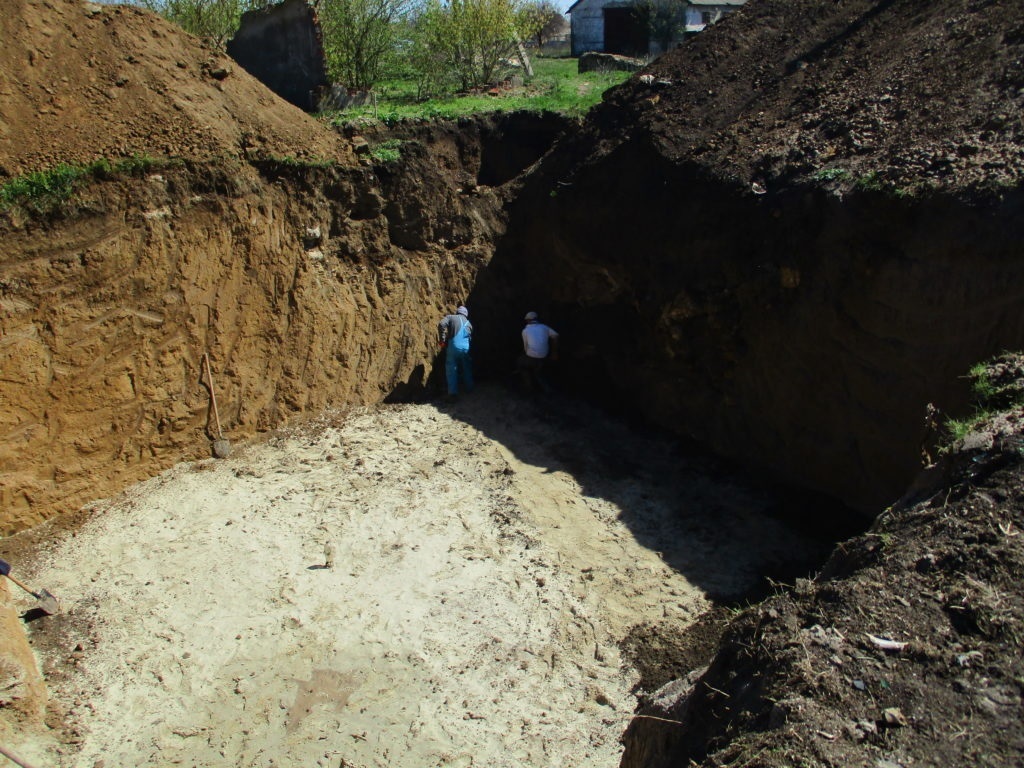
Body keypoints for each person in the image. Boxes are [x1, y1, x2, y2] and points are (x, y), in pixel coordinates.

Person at [437, 305, 474, 399]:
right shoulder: (469, 324)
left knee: (451, 368)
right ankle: (469, 389)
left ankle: (453, 394)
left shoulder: (451, 317)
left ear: (457, 312)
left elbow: (441, 324)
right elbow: (469, 338)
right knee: (466, 367)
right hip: (466, 348)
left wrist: (442, 340)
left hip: (454, 347)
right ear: (466, 314)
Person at [518, 311, 559, 392]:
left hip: (532, 358)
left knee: (520, 363)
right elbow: (556, 336)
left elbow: (525, 347)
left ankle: (529, 386)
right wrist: (554, 352)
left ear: (527, 320)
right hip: (544, 356)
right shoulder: (544, 327)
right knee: (539, 372)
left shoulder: (525, 331)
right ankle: (546, 389)